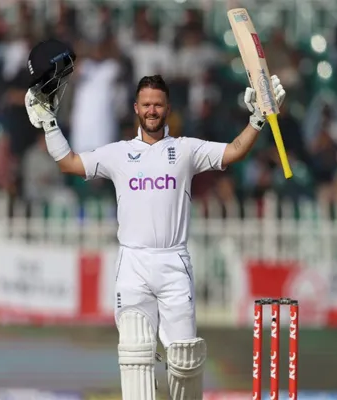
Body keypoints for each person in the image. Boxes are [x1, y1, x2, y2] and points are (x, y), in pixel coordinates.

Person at [23, 39, 286, 399]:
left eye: (158, 105)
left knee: (185, 359)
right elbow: (69, 163)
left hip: (174, 262)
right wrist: (50, 125)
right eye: (146, 104)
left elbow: (234, 152)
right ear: (136, 108)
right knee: (135, 349)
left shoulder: (186, 149)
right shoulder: (118, 153)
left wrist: (257, 119)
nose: (151, 111)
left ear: (167, 108)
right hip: (133, 263)